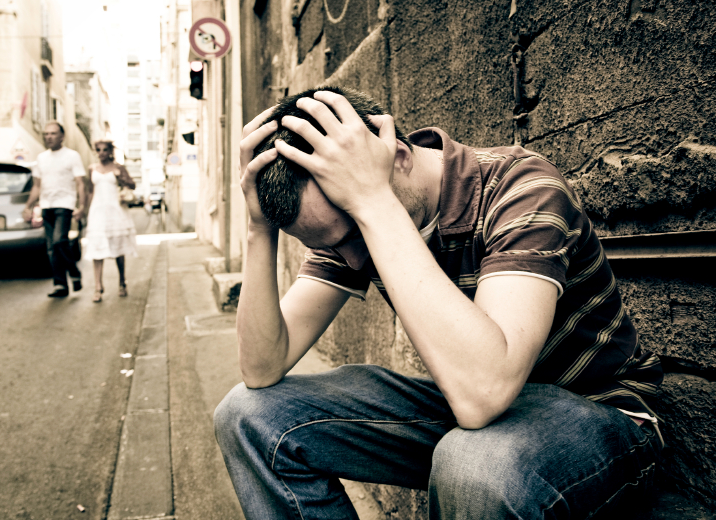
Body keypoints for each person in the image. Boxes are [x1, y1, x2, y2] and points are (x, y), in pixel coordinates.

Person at [214, 86, 664, 519]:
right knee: (248, 414)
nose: (351, 257)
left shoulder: (521, 187)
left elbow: (484, 394)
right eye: (334, 242)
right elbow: (261, 366)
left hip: (600, 416)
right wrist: (259, 230)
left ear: (400, 158)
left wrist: (372, 205)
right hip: (475, 414)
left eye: (354, 232)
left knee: (473, 462)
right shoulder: (350, 214)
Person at [23, 121, 86, 298]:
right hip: (46, 206)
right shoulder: (41, 158)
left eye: (52, 133)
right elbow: (36, 186)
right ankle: (60, 285)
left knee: (59, 241)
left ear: (62, 136)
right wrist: (28, 206)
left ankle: (74, 272)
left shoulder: (72, 156)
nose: (48, 137)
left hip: (64, 205)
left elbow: (80, 182)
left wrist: (81, 206)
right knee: (52, 248)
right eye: (46, 134)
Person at [82, 140, 137, 302]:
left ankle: (122, 282)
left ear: (110, 151)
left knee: (118, 250)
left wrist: (122, 178)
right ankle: (98, 287)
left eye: (105, 150)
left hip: (116, 211)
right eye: (98, 150)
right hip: (97, 211)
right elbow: (90, 192)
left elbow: (132, 185)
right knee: (97, 248)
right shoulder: (92, 168)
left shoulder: (118, 168)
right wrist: (86, 211)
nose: (101, 153)